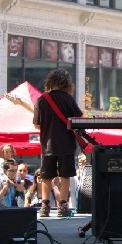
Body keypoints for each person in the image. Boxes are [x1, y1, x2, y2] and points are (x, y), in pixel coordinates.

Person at [34, 69, 83, 217]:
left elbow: (37, 124)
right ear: (67, 84)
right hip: (66, 144)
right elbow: (78, 120)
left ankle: (45, 205)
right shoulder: (68, 99)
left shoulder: (42, 100)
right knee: (65, 176)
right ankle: (62, 205)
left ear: (49, 82)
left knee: (46, 176)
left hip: (47, 144)